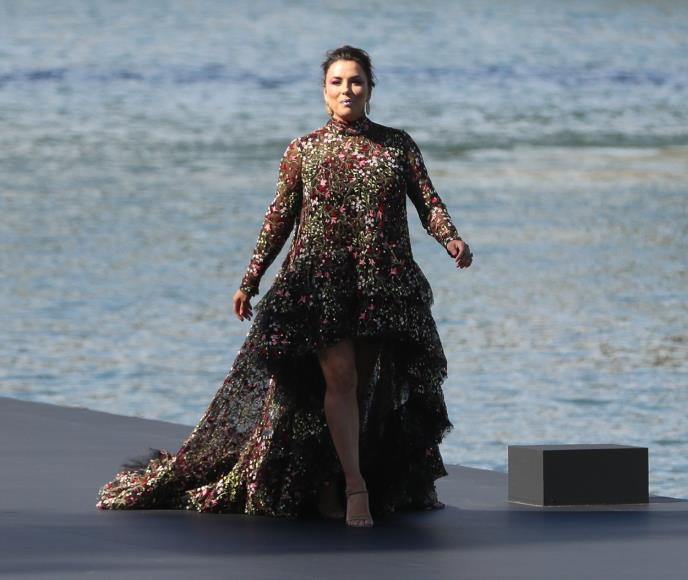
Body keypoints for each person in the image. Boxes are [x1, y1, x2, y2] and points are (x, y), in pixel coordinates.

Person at [96, 45, 473, 529]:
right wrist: (250, 279)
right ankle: (355, 487)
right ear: (324, 92)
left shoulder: (397, 146)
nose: (346, 90)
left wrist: (450, 238)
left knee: (360, 389)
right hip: (317, 283)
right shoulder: (304, 150)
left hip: (381, 284)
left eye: (356, 81)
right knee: (340, 380)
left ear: (370, 89)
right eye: (336, 82)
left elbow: (428, 203)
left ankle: (330, 478)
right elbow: (278, 219)